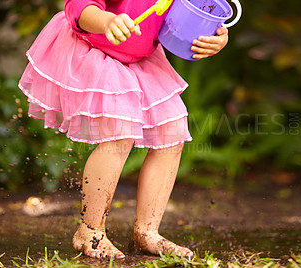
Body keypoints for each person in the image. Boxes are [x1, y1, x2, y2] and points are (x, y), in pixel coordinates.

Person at [18, 0, 229, 261]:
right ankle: (90, 230)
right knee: (120, 133)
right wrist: (106, 20)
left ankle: (147, 232)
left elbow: (187, 14)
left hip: (138, 58)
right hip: (94, 48)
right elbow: (78, 6)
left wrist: (215, 35)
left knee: (171, 132)